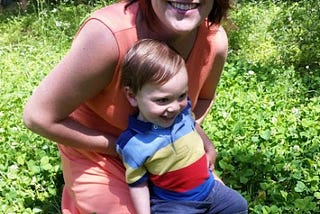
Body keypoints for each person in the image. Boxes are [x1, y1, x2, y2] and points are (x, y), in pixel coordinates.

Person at [23, 0, 238, 213]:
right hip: (99, 154)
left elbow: (203, 99)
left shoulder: (213, 41)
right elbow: (38, 117)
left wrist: (179, 138)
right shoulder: (106, 36)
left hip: (166, 156)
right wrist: (125, 148)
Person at [117, 39, 247, 214]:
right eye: (162, 100)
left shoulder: (183, 112)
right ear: (132, 96)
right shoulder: (133, 143)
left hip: (210, 189)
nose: (174, 107)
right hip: (175, 204)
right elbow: (138, 185)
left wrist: (209, 147)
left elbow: (194, 126)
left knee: (238, 205)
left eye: (181, 95)